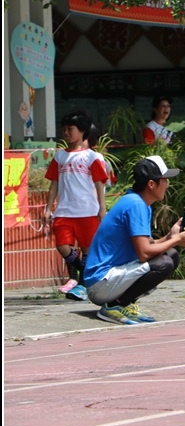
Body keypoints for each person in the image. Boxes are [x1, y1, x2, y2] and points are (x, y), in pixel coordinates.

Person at [83, 155, 185, 325]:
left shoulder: (139, 203)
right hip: (100, 284)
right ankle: (114, 306)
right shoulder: (136, 205)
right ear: (152, 184)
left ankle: (125, 303)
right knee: (164, 263)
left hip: (107, 280)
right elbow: (144, 254)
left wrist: (171, 236)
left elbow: (147, 245)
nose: (167, 184)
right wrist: (177, 239)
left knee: (171, 255)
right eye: (164, 180)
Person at [43, 111, 109, 301]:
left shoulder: (92, 157)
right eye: (63, 129)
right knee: (62, 246)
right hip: (64, 210)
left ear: (82, 131)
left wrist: (102, 208)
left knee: (88, 248)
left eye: (70, 129)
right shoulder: (59, 157)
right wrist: (48, 208)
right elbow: (54, 183)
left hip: (88, 211)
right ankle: (84, 273)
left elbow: (99, 183)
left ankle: (81, 284)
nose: (66, 132)